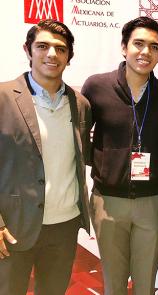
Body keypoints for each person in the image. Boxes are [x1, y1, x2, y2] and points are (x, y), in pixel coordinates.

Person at [81, 17, 158, 295]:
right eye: (139, 44)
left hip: (151, 202)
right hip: (108, 202)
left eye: (154, 47)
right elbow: (81, 138)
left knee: (145, 284)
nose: (146, 52)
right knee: (114, 283)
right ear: (124, 47)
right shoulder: (96, 86)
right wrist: (107, 165)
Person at [0, 19, 91, 295]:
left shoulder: (81, 105)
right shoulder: (3, 98)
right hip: (13, 227)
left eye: (60, 49)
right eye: (43, 46)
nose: (52, 54)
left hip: (64, 227)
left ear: (69, 57)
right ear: (28, 50)